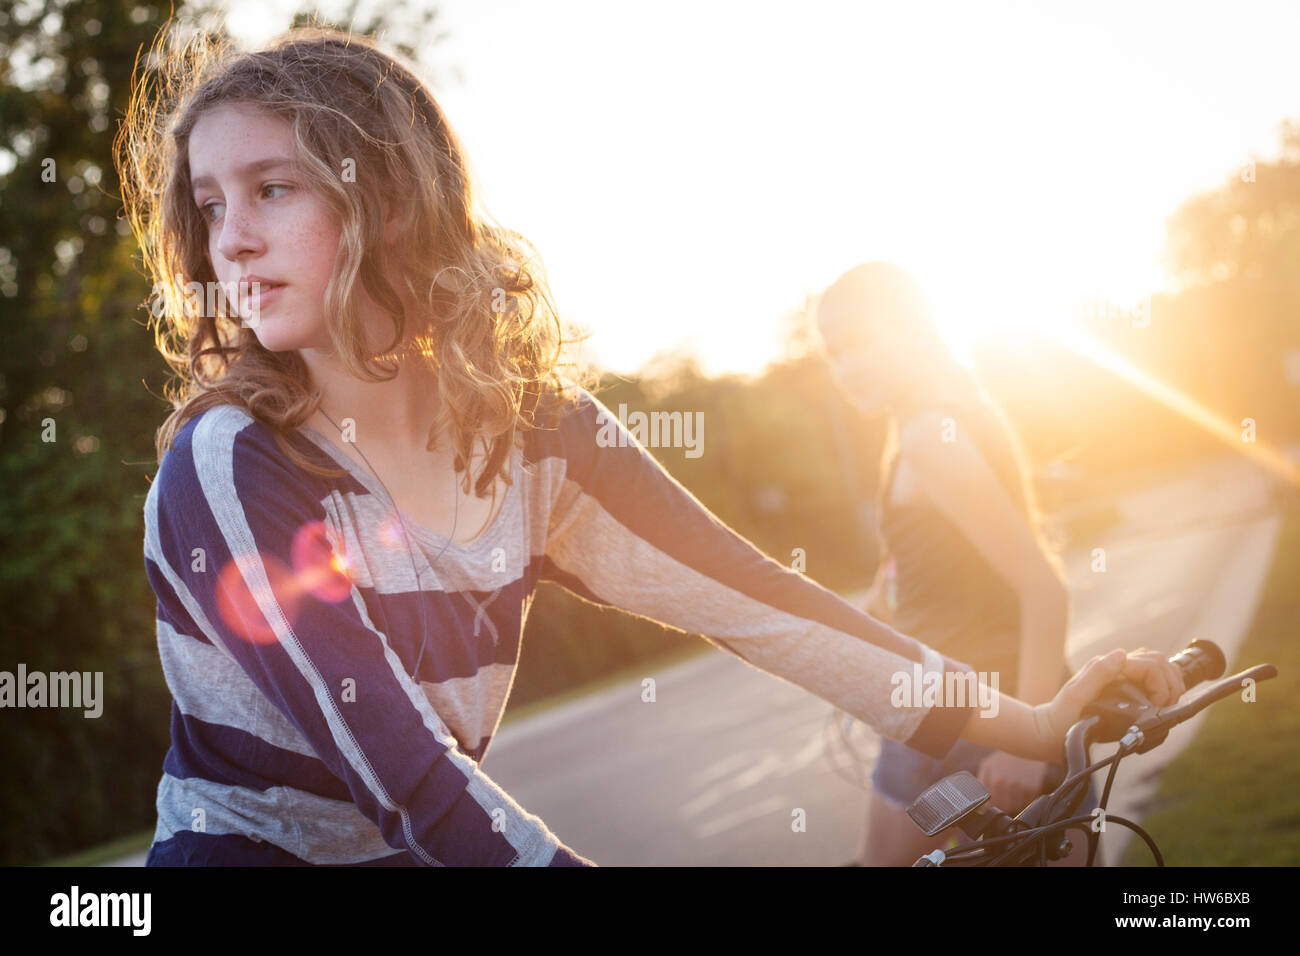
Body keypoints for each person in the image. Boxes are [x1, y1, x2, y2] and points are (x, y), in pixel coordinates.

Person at [118, 24, 1185, 866]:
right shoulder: (226, 462)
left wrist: (1031, 722)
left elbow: (764, 604)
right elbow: (397, 770)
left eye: (271, 188)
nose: (232, 241)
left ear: (390, 203)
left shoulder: (541, 436)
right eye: (209, 206)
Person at [814, 261, 1105, 866]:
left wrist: (1035, 743)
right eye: (834, 353)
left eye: (862, 342)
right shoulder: (936, 420)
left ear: (912, 328)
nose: (847, 368)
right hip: (962, 711)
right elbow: (923, 567)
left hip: (979, 718)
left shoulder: (928, 436)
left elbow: (1043, 588)